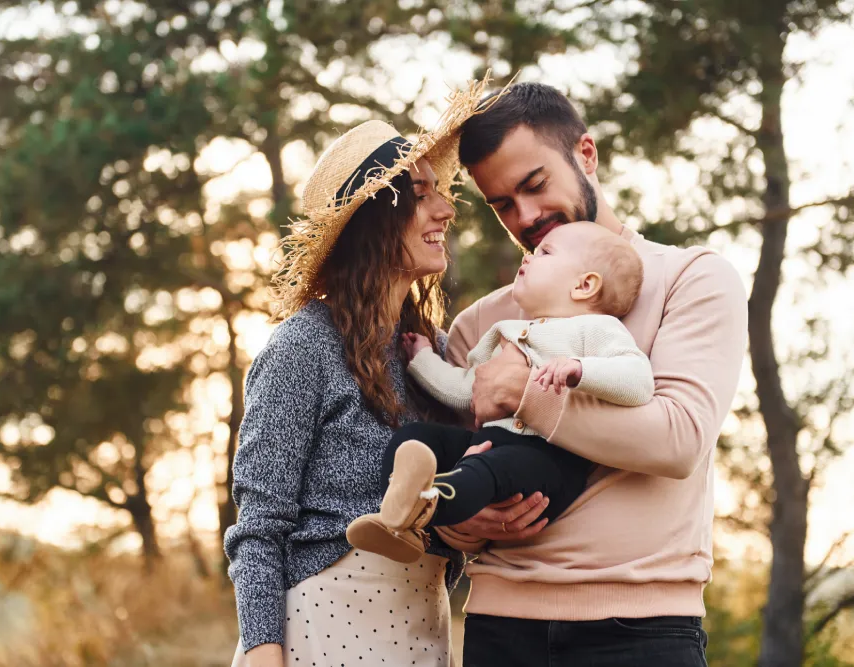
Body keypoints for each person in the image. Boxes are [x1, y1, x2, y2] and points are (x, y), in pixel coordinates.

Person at [436, 82, 748, 666]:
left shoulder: (693, 278)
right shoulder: (480, 322)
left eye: (534, 185)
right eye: (502, 203)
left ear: (586, 155)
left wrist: (526, 394)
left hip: (645, 633)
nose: (526, 217)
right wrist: (460, 523)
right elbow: (447, 477)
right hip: (498, 628)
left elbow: (678, 439)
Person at [224, 80, 502, 667]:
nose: (446, 208)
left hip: (424, 630)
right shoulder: (304, 345)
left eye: (440, 191)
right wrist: (261, 652)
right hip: (322, 627)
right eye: (420, 193)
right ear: (376, 217)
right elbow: (259, 526)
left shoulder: (433, 352)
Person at [346, 221, 653, 563]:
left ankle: (429, 505)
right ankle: (398, 518)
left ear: (584, 285)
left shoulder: (596, 329)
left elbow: (638, 379)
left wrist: (581, 369)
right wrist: (422, 360)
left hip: (548, 460)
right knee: (418, 436)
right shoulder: (509, 332)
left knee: (484, 470)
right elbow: (467, 390)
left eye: (544, 253)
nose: (528, 258)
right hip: (495, 442)